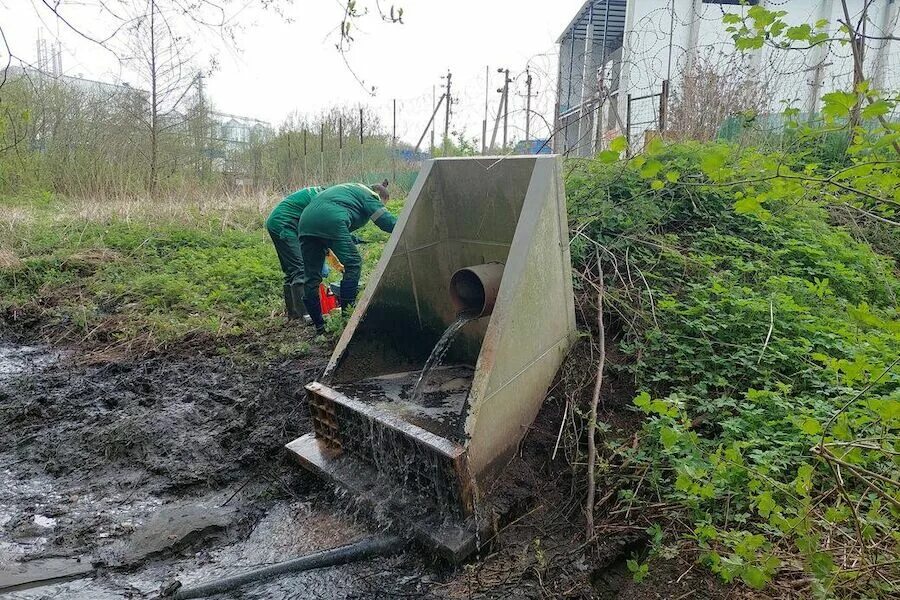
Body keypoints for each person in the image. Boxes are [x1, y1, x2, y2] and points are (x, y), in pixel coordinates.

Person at [297, 180, 396, 334]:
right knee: (353, 263)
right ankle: (347, 321)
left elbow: (336, 212)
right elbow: (385, 222)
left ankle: (319, 328)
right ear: (380, 196)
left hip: (305, 222)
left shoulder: (350, 189)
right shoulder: (371, 196)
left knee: (312, 277)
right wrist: (407, 226)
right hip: (331, 219)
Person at [265, 186, 323, 318]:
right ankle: (306, 314)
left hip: (277, 222)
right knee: (300, 269)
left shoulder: (318, 194)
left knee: (291, 271)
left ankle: (294, 314)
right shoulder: (321, 200)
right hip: (284, 225)